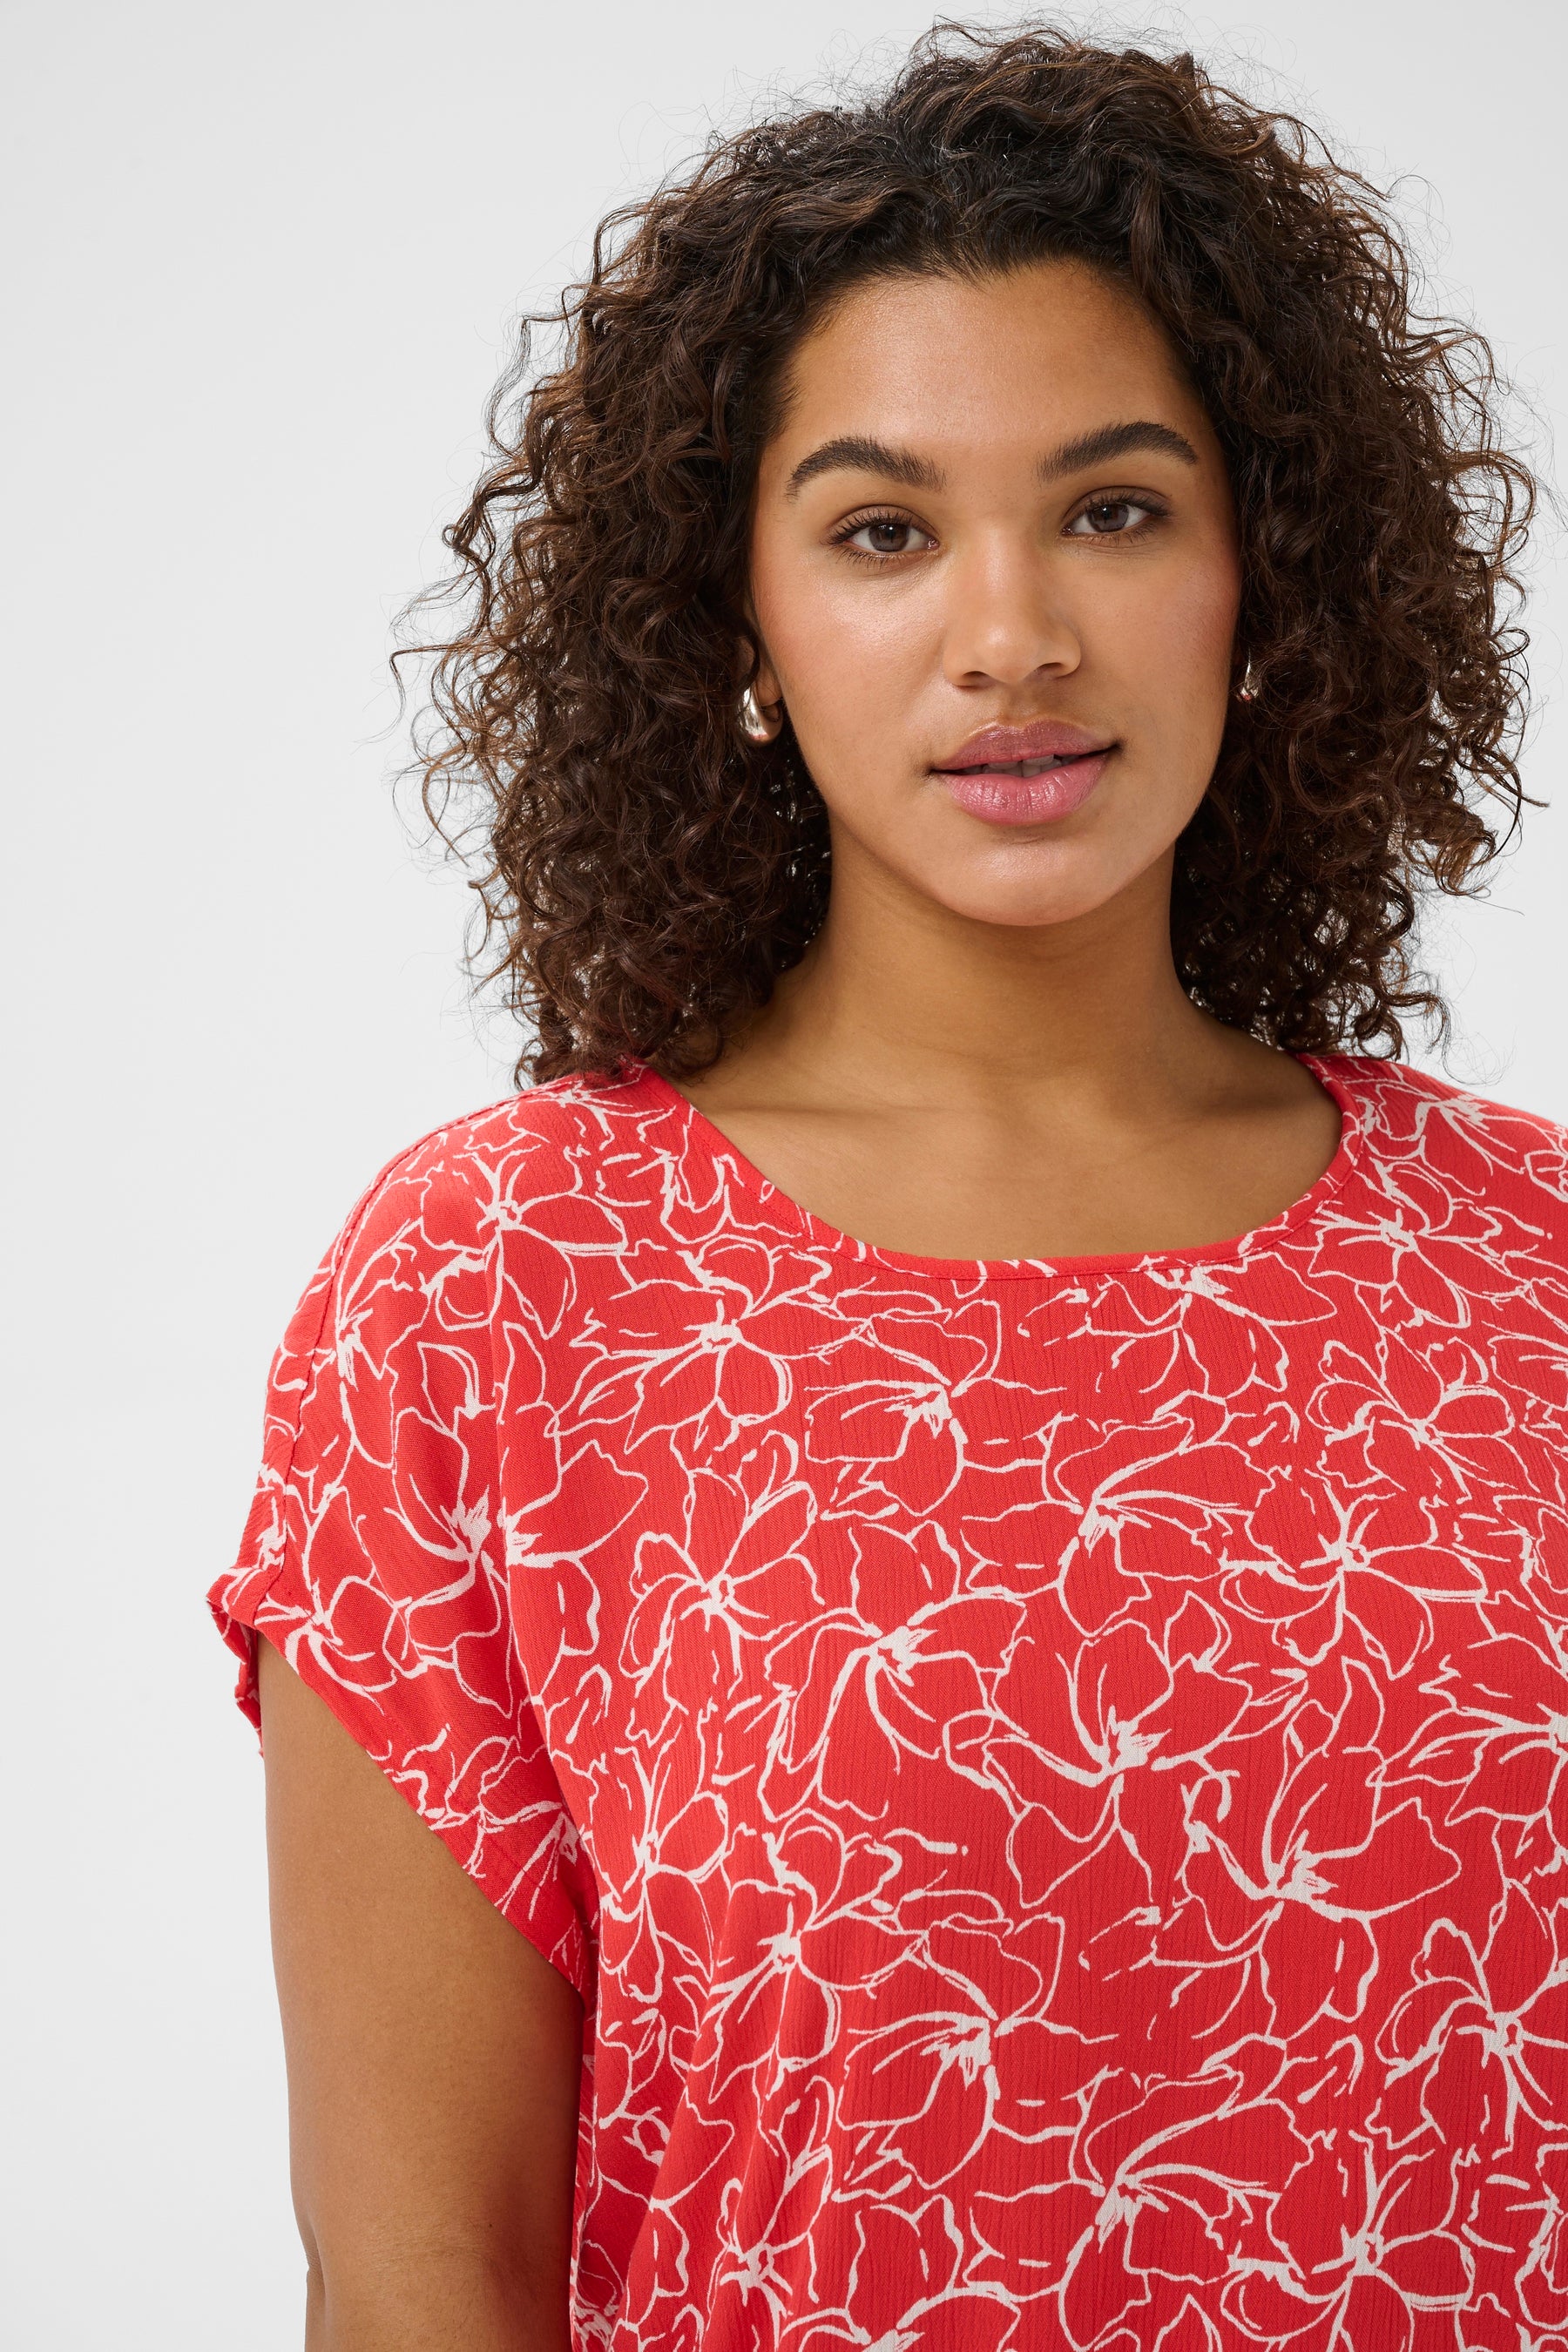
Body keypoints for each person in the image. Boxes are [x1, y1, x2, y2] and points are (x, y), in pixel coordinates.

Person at [207, 24, 1566, 2351]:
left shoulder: (1534, 1271)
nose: (1013, 629)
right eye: (882, 528)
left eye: (1118, 507)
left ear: (1268, 575)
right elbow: (421, 2279)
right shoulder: (504, 1292)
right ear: (737, 626)